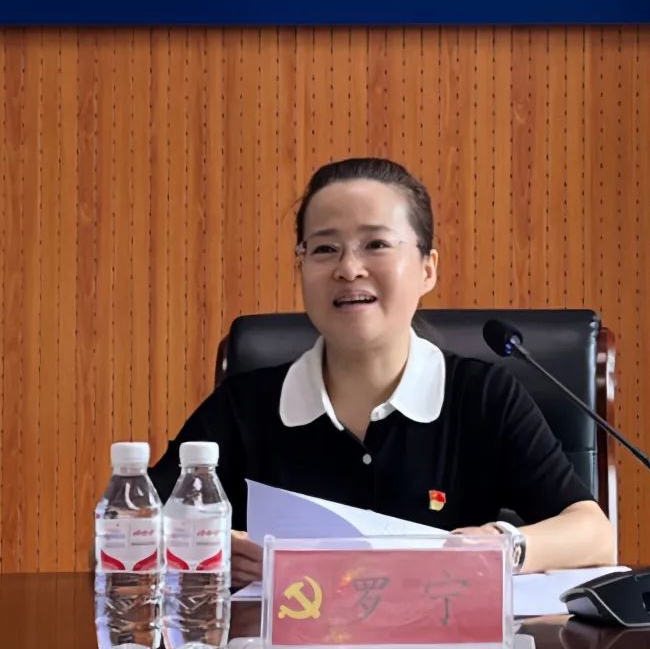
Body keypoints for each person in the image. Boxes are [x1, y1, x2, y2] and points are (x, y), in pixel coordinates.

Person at [150, 157, 615, 585]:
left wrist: (504, 546)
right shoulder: (245, 406)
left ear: (427, 269)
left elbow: (595, 536)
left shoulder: (481, 395)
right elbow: (134, 527)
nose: (349, 269)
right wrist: (205, 546)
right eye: (325, 248)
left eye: (376, 244)